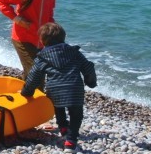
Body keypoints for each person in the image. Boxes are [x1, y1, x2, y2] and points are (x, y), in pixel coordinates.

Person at [21, 22, 97, 150]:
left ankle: (62, 127)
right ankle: (71, 141)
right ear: (63, 37)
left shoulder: (42, 58)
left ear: (42, 41)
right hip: (75, 89)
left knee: (58, 106)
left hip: (54, 90)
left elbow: (33, 77)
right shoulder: (74, 53)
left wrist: (27, 92)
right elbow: (88, 66)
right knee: (76, 114)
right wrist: (91, 82)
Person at [0, 0, 62, 81]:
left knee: (34, 72)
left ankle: (24, 93)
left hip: (41, 39)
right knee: (36, 73)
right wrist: (16, 19)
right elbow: (0, 1)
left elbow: (49, 13)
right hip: (23, 38)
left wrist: (53, 30)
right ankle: (34, 97)